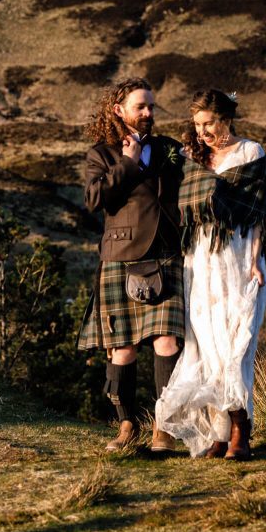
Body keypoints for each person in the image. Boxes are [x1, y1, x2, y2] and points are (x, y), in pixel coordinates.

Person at [155, 89, 266, 460]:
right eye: (198, 125)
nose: (203, 131)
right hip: (200, 260)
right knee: (205, 345)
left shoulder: (251, 154)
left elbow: (256, 216)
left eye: (209, 124)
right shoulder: (192, 157)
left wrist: (254, 262)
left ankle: (241, 430)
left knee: (235, 344)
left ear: (226, 119)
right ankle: (219, 433)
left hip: (235, 255)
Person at [77, 77, 185, 453]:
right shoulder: (102, 154)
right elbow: (95, 198)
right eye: (141, 107)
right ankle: (127, 426)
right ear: (118, 110)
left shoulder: (169, 149)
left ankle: (165, 426)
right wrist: (127, 161)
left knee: (167, 340)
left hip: (166, 252)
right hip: (121, 256)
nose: (148, 113)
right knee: (122, 348)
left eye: (152, 106)